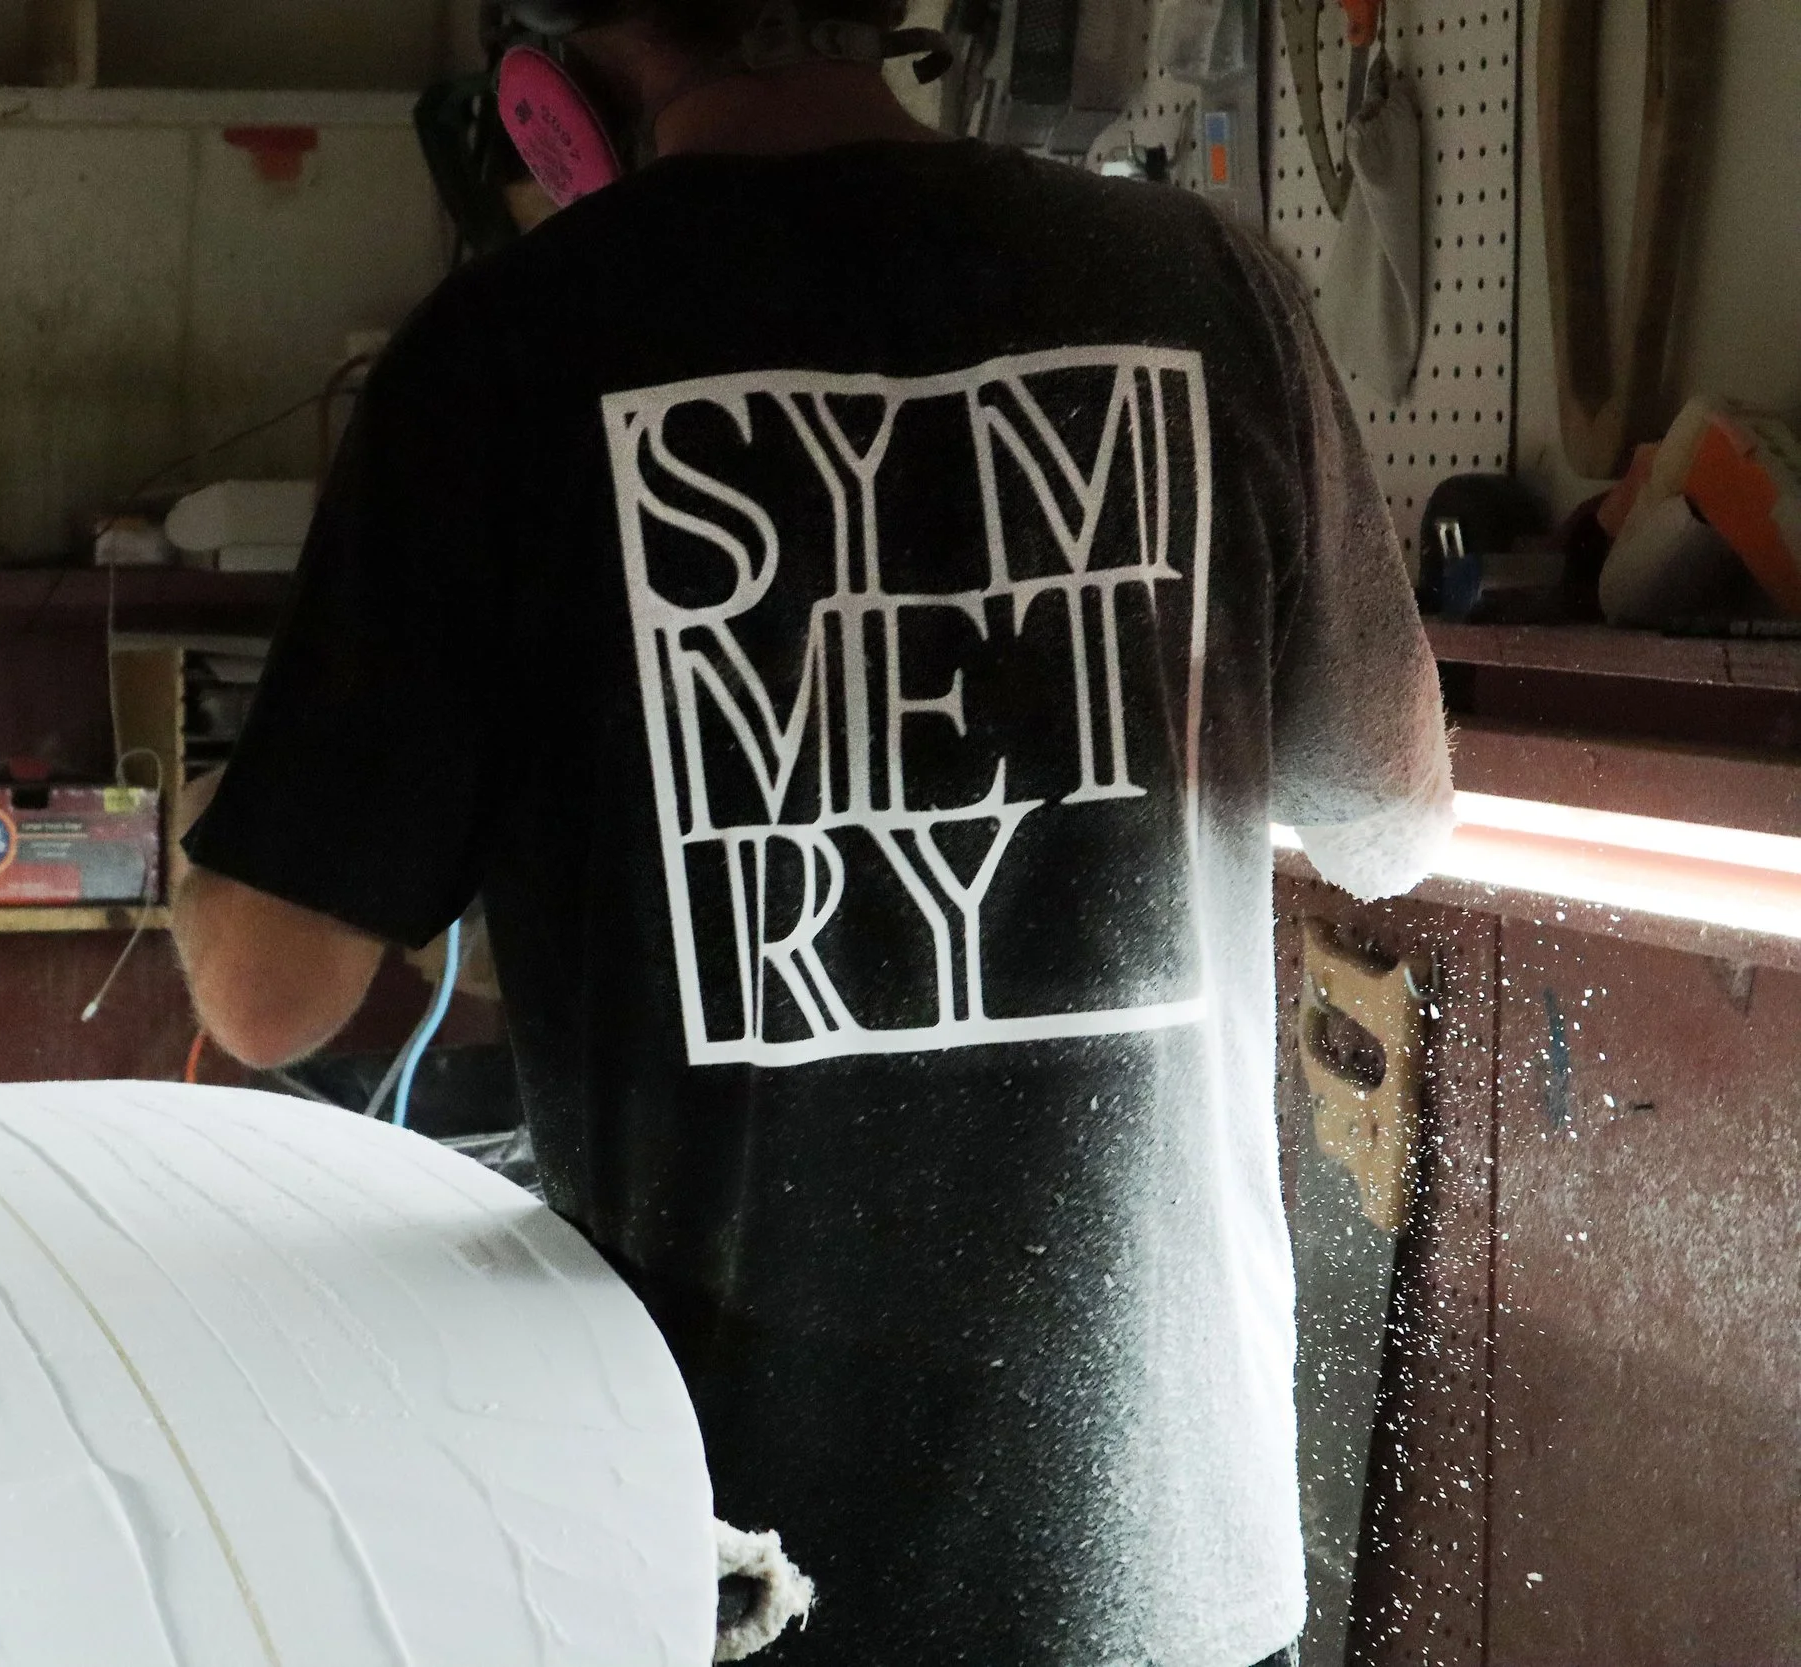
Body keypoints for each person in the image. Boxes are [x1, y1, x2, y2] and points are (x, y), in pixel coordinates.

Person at [170, 1, 1453, 1662]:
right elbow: (1395, 818)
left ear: (558, 86)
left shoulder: (503, 358)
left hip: (739, 1573)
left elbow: (266, 990)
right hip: (1168, 1576)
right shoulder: (1197, 285)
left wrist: (221, 824)